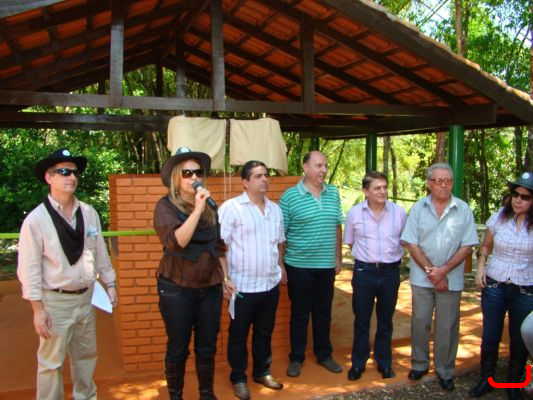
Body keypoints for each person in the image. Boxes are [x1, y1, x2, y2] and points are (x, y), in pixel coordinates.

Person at [17, 148, 118, 400]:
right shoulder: (36, 220)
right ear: (48, 177)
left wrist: (110, 282)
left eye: (74, 172)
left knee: (86, 357)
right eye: (63, 172)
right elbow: (29, 268)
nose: (71, 177)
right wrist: (38, 309)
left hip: (86, 298)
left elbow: (99, 250)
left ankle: (86, 396)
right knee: (51, 363)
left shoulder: (89, 213)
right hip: (55, 302)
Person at [153, 146, 236, 400]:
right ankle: (176, 396)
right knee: (178, 347)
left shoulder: (211, 207)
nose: (194, 177)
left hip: (209, 287)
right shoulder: (165, 207)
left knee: (207, 346)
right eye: (187, 173)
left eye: (198, 172)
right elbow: (176, 242)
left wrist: (225, 278)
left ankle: (206, 394)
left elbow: (218, 246)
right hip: (177, 289)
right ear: (176, 178)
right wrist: (198, 210)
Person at [400, 162, 479, 392]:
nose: (444, 185)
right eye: (438, 181)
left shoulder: (463, 209)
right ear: (429, 183)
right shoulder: (418, 208)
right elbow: (411, 243)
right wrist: (432, 272)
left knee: (447, 326)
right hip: (422, 278)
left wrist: (443, 271)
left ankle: (445, 371)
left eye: (448, 181)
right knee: (420, 322)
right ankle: (419, 363)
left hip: (450, 279)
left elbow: (467, 246)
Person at [218, 160, 286, 400]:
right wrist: (225, 278)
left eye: (266, 175)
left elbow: (279, 242)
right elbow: (219, 247)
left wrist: (280, 267)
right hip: (242, 287)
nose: (264, 179)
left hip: (269, 285)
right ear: (245, 182)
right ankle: (238, 378)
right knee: (238, 335)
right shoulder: (231, 208)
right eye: (258, 176)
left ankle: (262, 372)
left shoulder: (275, 210)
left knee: (264, 333)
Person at [279, 150, 344, 378]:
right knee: (300, 314)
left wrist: (338, 257)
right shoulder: (289, 197)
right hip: (299, 266)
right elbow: (280, 235)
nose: (323, 170)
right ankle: (296, 358)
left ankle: (324, 355)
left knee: (323, 313)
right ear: (305, 168)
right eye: (318, 166)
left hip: (326, 265)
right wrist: (280, 264)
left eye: (325, 165)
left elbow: (337, 226)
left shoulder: (333, 193)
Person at [469, 172, 533, 400]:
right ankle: (486, 379)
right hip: (495, 284)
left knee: (519, 338)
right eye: (515, 194)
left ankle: (514, 384)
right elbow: (485, 246)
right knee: (490, 334)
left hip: (524, 288)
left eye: (525, 197)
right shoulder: (499, 217)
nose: (518, 200)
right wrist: (480, 269)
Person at [344, 171, 407, 381]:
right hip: (364, 273)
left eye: (384, 187)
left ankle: (384, 363)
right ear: (366, 191)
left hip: (390, 273)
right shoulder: (354, 213)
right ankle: (358, 364)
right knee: (361, 320)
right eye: (377, 188)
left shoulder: (399, 213)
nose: (382, 191)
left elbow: (405, 240)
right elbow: (350, 241)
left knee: (385, 321)